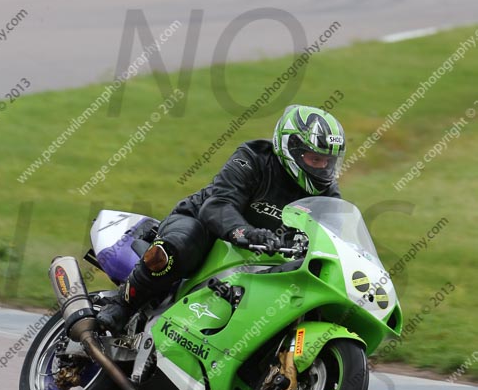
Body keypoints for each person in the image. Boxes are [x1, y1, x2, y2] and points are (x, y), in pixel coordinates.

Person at [96, 104, 346, 334]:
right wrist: (245, 232)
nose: (321, 168)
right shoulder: (253, 158)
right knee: (181, 245)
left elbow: (337, 241)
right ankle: (121, 305)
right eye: (314, 159)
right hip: (204, 225)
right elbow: (218, 205)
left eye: (328, 162)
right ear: (291, 148)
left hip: (262, 257)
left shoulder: (327, 193)